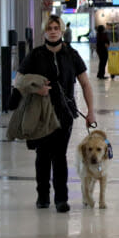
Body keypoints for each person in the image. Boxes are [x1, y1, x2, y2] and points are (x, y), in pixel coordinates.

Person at [18, 14, 95, 213]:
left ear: (61, 30)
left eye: (56, 27)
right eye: (49, 28)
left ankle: (61, 199)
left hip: (64, 114)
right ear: (44, 31)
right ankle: (42, 196)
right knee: (42, 155)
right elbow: (18, 80)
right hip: (41, 114)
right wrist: (37, 89)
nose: (52, 31)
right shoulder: (35, 55)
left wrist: (90, 112)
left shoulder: (71, 54)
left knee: (59, 156)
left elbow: (85, 83)